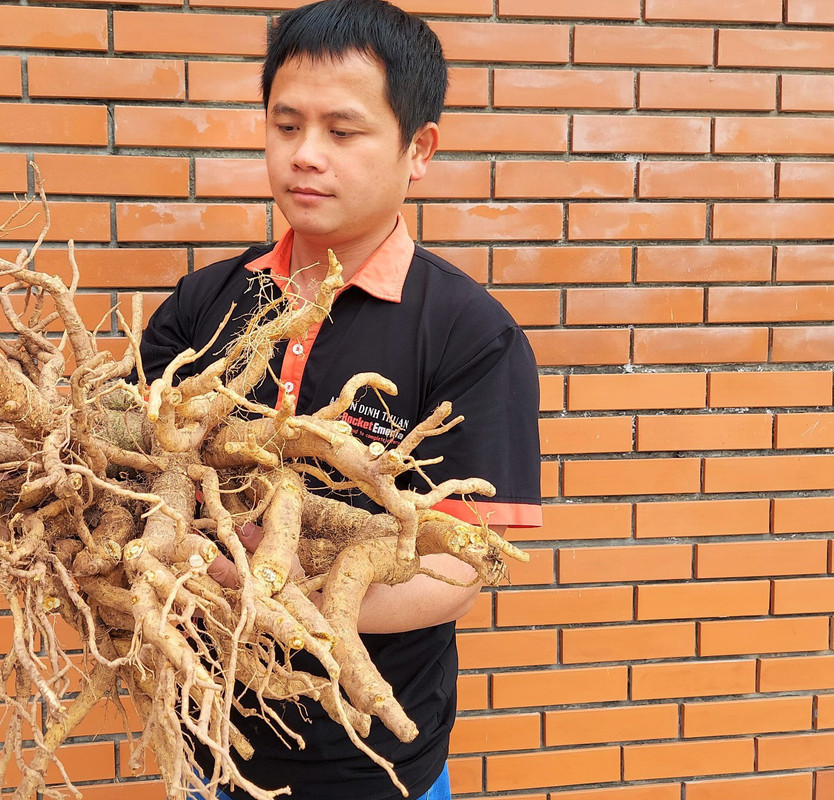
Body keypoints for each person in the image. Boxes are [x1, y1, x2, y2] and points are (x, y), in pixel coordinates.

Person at [139, 0, 543, 797]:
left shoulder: (471, 334)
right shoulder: (201, 304)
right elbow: (124, 466)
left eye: (342, 131)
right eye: (286, 125)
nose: (305, 155)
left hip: (373, 768)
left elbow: (465, 567)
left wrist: (261, 580)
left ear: (418, 149)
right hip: (207, 751)